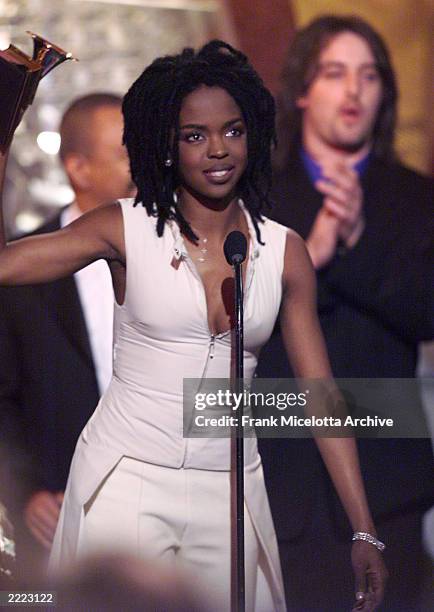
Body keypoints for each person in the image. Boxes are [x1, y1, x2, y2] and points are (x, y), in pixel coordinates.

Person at [0, 41, 387, 611]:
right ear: (167, 143)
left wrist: (363, 528)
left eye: (232, 130)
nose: (217, 150)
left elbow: (320, 397)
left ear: (253, 133)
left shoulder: (282, 251)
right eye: (194, 135)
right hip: (125, 479)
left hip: (229, 489)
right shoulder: (120, 227)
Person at [256, 15, 434, 611]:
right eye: (335, 73)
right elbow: (227, 318)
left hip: (388, 481)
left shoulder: (413, 197)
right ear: (303, 89)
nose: (354, 91)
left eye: (369, 76)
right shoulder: (257, 196)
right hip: (283, 475)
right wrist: (316, 251)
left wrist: (356, 245)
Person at [0, 93, 135, 577]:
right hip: (66, 511)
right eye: (125, 152)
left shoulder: (179, 243)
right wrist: (26, 490)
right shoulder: (23, 268)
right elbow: (4, 397)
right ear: (78, 168)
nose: (141, 164)